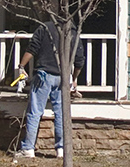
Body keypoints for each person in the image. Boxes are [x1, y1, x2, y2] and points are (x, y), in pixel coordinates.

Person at [14, 21, 84, 159]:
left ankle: (28, 148)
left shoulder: (44, 28)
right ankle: (61, 149)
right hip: (62, 77)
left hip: (43, 75)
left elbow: (32, 49)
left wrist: (22, 66)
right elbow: (79, 60)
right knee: (61, 113)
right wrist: (73, 78)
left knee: (35, 111)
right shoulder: (73, 32)